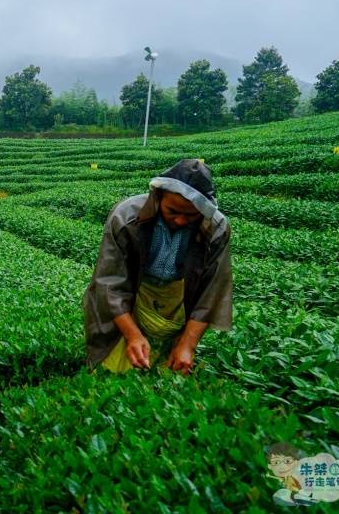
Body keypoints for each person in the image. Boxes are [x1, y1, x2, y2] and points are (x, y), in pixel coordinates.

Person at [82, 159, 232, 374]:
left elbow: (212, 291)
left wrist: (188, 345)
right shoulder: (126, 216)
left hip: (177, 294)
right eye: (172, 211)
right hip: (136, 289)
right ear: (158, 197)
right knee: (115, 364)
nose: (180, 220)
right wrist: (133, 335)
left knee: (171, 366)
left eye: (190, 215)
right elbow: (109, 283)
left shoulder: (216, 229)